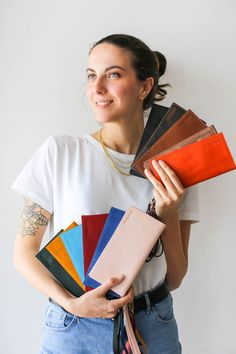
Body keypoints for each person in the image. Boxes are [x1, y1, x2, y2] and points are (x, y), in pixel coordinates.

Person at [12, 34, 199, 354]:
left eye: (113, 74)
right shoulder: (60, 152)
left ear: (145, 86)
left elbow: (176, 277)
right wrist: (71, 304)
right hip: (73, 325)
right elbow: (24, 252)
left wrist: (168, 213)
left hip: (151, 323)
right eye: (90, 75)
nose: (97, 88)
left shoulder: (176, 164)